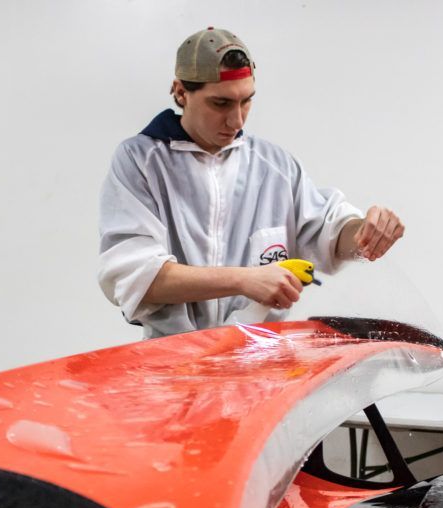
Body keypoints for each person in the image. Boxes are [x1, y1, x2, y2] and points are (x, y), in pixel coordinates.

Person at [98, 27, 405, 338]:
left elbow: (330, 233)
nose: (237, 120)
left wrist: (365, 231)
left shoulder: (275, 166)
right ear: (180, 92)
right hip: (175, 361)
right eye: (220, 103)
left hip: (259, 362)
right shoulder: (141, 162)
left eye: (246, 101)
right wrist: (245, 279)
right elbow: (136, 277)